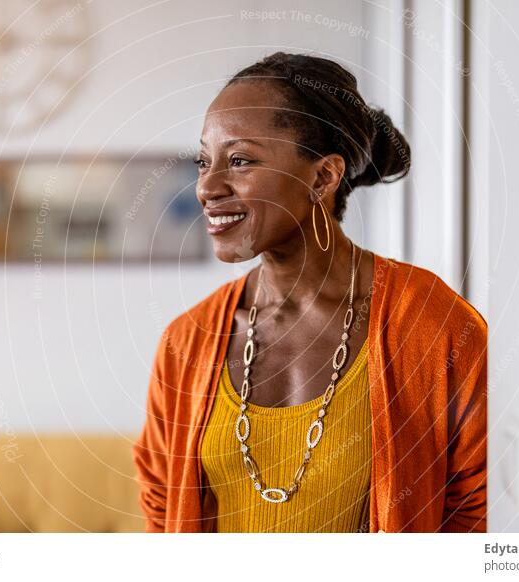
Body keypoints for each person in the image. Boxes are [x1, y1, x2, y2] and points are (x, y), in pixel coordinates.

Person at [132, 51, 487, 533]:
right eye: (203, 161)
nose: (207, 187)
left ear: (322, 177)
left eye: (239, 160)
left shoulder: (433, 323)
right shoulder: (186, 341)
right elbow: (161, 507)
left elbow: (471, 511)